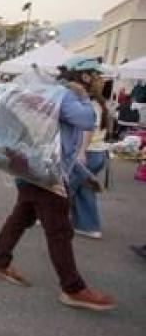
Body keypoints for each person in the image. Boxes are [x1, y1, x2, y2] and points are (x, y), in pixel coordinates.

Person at [0, 56, 115, 312]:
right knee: (60, 231)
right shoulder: (66, 96)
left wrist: (81, 172)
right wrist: (84, 97)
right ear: (85, 76)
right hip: (45, 173)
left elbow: (61, 143)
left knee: (20, 218)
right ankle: (73, 288)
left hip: (31, 167)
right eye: (97, 75)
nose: (100, 81)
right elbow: (87, 121)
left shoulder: (55, 93)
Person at [71, 69, 110, 239]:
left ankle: (44, 216)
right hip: (98, 152)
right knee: (85, 190)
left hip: (88, 152)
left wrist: (80, 151)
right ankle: (89, 226)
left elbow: (88, 130)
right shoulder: (101, 104)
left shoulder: (90, 105)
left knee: (65, 187)